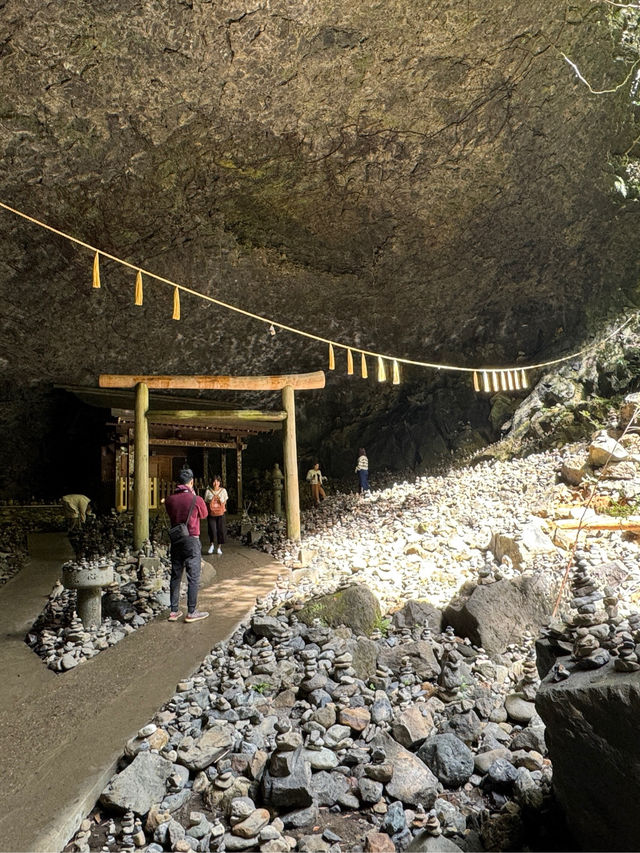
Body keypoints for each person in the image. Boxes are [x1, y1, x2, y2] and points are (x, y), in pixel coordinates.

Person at [164, 468, 209, 622]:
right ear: (192, 482)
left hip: (176, 540)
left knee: (176, 575)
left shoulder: (170, 499)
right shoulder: (197, 500)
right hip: (191, 539)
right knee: (193, 576)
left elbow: (171, 515)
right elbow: (204, 515)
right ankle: (191, 611)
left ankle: (174, 611)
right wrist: (195, 495)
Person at [204, 475, 228, 555]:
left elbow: (225, 502)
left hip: (220, 513)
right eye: (214, 481)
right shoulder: (208, 491)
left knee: (220, 530)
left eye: (217, 481)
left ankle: (219, 547)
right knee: (212, 530)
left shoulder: (223, 491)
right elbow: (206, 502)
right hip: (211, 513)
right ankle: (212, 545)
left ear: (220, 482)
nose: (216, 483)